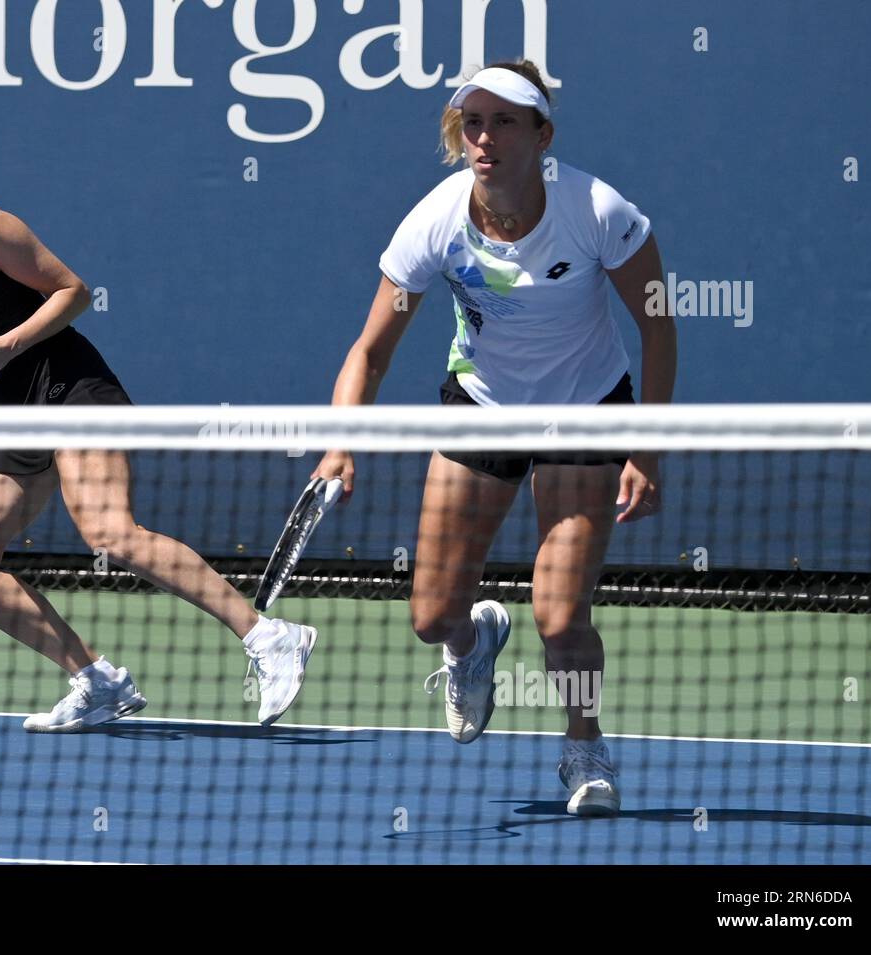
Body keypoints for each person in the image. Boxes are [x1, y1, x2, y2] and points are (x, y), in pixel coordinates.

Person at [0, 99, 317, 732]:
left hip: (69, 385)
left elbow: (74, 291)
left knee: (109, 532)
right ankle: (95, 679)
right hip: (4, 411)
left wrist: (7, 344)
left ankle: (268, 635)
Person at [313, 63, 675, 815]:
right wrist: (339, 442)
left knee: (562, 615)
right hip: (480, 406)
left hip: (586, 410)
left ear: (542, 134)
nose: (486, 137)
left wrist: (646, 446)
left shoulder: (598, 209)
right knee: (429, 618)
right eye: (473, 122)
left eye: (506, 121)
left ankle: (584, 745)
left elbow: (657, 324)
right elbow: (370, 350)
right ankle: (473, 644)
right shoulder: (435, 223)